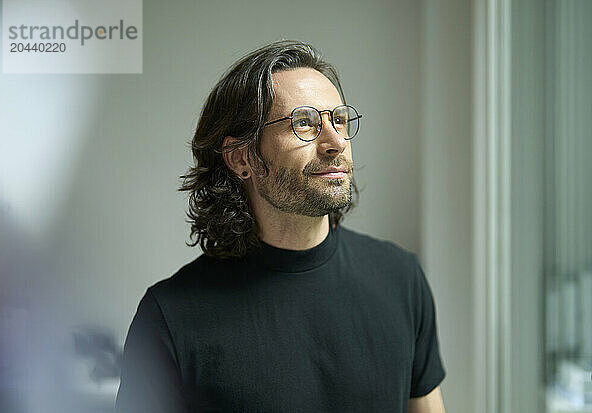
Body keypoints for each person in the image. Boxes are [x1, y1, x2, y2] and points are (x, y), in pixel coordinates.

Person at [115, 40, 446, 413]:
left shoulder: (400, 278)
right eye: (304, 123)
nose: (335, 142)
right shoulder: (170, 316)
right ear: (242, 157)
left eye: (338, 120)